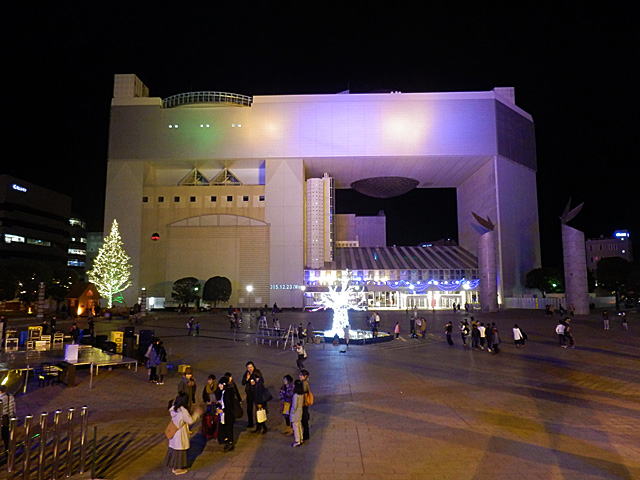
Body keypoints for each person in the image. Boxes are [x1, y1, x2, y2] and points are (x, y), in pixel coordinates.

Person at [165, 392, 203, 475]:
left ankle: (173, 466)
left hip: (174, 431)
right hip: (180, 433)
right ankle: (177, 469)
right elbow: (190, 421)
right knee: (180, 451)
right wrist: (196, 413)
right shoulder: (183, 411)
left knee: (174, 449)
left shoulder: (174, 407)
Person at [215, 377, 237, 452]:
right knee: (224, 427)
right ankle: (226, 441)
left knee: (229, 428)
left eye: (220, 385)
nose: (219, 386)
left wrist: (222, 410)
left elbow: (229, 405)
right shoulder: (223, 392)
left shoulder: (228, 392)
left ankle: (230, 443)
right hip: (224, 414)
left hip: (228, 414)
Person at [242, 361, 263, 429]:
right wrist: (247, 379)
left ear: (253, 366)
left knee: (258, 409)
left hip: (256, 393)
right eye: (248, 367)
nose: (250, 369)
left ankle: (259, 424)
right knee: (249, 409)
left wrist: (255, 383)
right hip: (249, 394)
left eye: (251, 367)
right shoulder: (246, 373)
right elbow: (243, 382)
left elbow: (262, 381)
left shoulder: (257, 372)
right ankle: (250, 423)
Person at [0, 385, 16, 453]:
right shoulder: (10, 396)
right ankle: (8, 452)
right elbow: (13, 409)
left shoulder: (0, 398)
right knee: (6, 436)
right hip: (6, 419)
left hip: (1, 418)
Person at [289, 379, 305, 447]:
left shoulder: (295, 395)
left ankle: (297, 441)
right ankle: (301, 438)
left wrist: (291, 412)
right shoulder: (301, 394)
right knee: (299, 425)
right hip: (300, 411)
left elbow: (294, 406)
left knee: (295, 427)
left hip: (295, 413)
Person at [298, 369, 312, 443]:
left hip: (304, 403)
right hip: (304, 403)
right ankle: (305, 434)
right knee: (304, 419)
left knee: (304, 420)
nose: (299, 376)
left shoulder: (304, 383)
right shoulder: (304, 382)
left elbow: (302, 392)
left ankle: (306, 435)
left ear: (305, 376)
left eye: (301, 375)